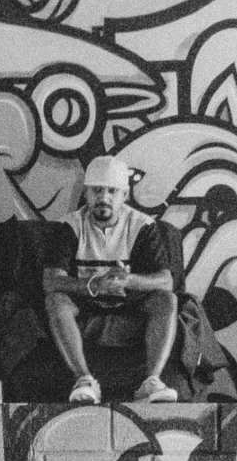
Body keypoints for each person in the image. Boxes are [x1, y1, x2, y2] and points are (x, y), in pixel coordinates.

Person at [42, 155, 180, 406]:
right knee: (56, 301)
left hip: (130, 301)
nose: (104, 198)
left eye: (112, 191)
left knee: (167, 300)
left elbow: (165, 281)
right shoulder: (69, 226)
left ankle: (151, 383)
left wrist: (128, 280)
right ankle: (84, 380)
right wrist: (92, 285)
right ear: (86, 194)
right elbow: (51, 281)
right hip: (86, 300)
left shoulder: (143, 226)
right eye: (97, 190)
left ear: (124, 196)